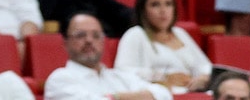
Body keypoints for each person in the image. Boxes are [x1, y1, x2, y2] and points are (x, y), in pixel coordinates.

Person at [44, 13, 173, 100]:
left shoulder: (119, 76)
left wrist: (115, 96)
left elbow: (164, 94)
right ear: (66, 43)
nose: (89, 40)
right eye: (81, 35)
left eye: (96, 35)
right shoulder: (60, 78)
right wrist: (135, 97)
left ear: (103, 41)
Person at [115, 0, 211, 91]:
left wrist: (203, 78)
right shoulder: (135, 34)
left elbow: (205, 67)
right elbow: (122, 72)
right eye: (155, 5)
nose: (163, 10)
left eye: (168, 4)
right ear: (143, 9)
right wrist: (163, 78)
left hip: (192, 93)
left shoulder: (180, 33)